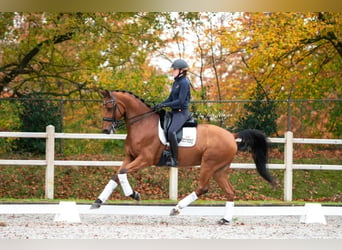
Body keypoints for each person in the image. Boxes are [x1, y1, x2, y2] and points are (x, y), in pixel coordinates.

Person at [153, 59, 191, 167]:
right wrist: (160, 104)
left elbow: (180, 101)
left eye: (175, 69)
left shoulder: (184, 82)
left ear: (182, 70)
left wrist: (165, 105)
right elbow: (170, 98)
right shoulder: (176, 82)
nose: (173, 71)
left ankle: (174, 159)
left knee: (171, 131)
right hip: (174, 112)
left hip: (181, 112)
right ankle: (165, 151)